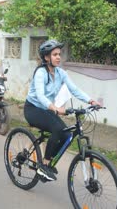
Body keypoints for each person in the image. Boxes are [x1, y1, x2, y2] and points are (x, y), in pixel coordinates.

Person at [24, 39, 101, 181]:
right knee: (57, 130)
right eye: (54, 54)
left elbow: (74, 89)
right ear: (47, 57)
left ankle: (49, 160)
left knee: (67, 135)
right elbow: (40, 96)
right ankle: (44, 166)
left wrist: (91, 101)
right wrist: (55, 108)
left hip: (46, 111)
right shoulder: (41, 72)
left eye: (59, 54)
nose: (58, 57)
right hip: (33, 109)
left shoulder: (61, 73)